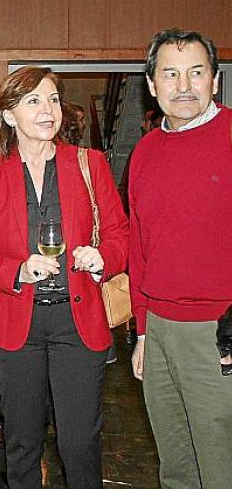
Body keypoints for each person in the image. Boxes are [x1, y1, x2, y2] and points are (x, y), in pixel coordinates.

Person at [0, 66, 128, 488]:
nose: (47, 110)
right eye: (33, 100)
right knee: (22, 444)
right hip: (15, 323)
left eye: (53, 99)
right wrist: (17, 270)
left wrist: (101, 258)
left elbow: (120, 236)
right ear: (9, 115)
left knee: (79, 442)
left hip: (78, 321)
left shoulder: (89, 164)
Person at [128, 28, 232, 488]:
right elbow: (139, 248)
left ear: (215, 80)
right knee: (176, 469)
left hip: (218, 332)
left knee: (221, 467)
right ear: (153, 84)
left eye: (196, 72)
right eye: (170, 74)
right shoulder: (145, 151)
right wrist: (143, 332)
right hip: (160, 332)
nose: (184, 86)